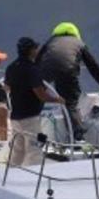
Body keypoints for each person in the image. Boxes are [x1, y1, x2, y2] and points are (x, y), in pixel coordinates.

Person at [35, 22, 99, 140]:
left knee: (37, 96)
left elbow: (36, 62)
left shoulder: (50, 42)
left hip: (45, 70)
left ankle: (31, 128)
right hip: (68, 70)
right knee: (70, 103)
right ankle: (77, 133)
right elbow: (94, 67)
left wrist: (32, 83)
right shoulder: (79, 43)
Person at [6, 37, 64, 167]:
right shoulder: (32, 69)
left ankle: (11, 173)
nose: (37, 51)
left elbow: (7, 87)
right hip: (30, 117)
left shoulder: (11, 67)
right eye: (35, 48)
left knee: (17, 150)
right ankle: (33, 176)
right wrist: (57, 100)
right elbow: (41, 95)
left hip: (15, 116)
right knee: (34, 150)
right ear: (31, 50)